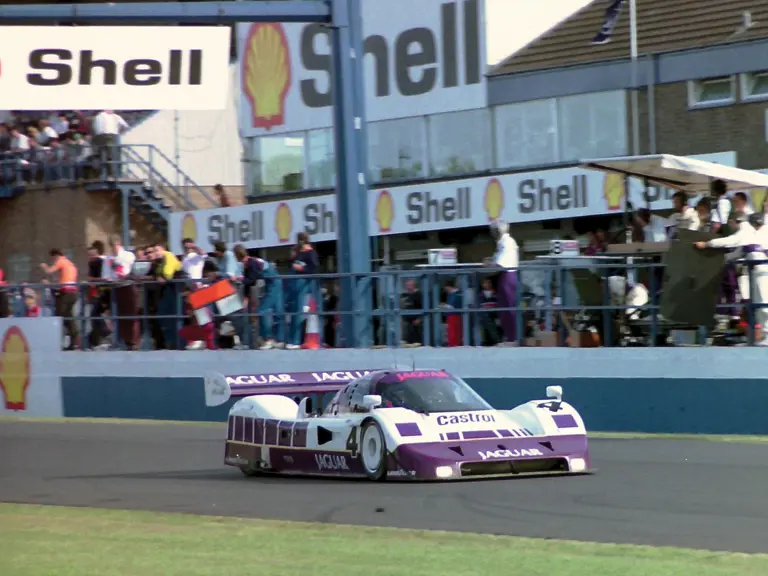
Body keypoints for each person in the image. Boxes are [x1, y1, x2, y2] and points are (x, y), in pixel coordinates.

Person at [695, 212, 768, 344]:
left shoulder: (746, 230)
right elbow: (735, 254)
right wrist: (717, 260)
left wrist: (707, 244)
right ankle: (765, 334)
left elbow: (728, 241)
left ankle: (767, 333)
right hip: (757, 272)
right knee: (758, 304)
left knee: (763, 303)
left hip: (762, 271)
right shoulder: (750, 236)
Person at [234, 245, 284, 350]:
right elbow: (249, 284)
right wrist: (246, 300)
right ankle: (278, 339)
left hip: (274, 283)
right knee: (277, 311)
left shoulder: (251, 263)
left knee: (262, 309)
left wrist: (239, 279)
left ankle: (268, 339)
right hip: (272, 282)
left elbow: (252, 279)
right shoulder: (247, 264)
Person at [484, 220, 519, 346]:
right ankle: (510, 337)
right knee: (504, 310)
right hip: (503, 277)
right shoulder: (501, 244)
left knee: (509, 309)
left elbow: (500, 264)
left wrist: (489, 265)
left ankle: (513, 338)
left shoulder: (507, 242)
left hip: (507, 276)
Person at [40, 249, 79, 350]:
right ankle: (74, 341)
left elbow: (49, 271)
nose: (53, 261)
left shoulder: (60, 261)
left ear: (55, 256)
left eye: (53, 259)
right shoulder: (70, 263)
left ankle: (61, 340)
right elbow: (65, 281)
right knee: (68, 316)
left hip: (66, 294)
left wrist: (44, 267)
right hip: (73, 293)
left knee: (60, 316)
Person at [286, 233, 319, 350]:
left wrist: (302, 269)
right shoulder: (299, 252)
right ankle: (292, 340)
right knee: (294, 312)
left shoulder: (310, 253)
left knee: (299, 312)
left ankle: (296, 340)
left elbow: (313, 268)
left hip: (303, 283)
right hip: (295, 283)